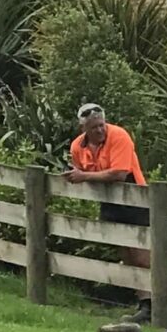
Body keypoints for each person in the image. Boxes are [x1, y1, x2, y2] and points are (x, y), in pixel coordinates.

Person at [65, 100, 151, 273]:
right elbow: (79, 170)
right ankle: (141, 298)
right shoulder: (76, 146)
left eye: (101, 125)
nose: (99, 130)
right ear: (84, 129)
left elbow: (119, 173)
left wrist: (84, 176)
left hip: (134, 197)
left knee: (141, 254)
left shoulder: (119, 136)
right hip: (108, 199)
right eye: (94, 127)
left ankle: (154, 297)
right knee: (125, 252)